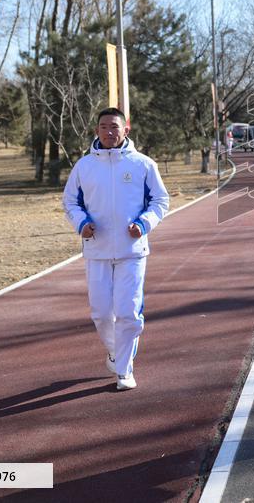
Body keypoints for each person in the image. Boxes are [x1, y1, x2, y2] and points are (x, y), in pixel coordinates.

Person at [63, 107, 170, 391]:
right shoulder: (84, 166)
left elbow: (160, 200)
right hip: (96, 249)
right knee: (101, 314)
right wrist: (81, 223)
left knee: (128, 313)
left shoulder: (143, 164)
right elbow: (70, 202)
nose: (109, 132)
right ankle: (115, 351)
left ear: (126, 129)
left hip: (131, 250)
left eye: (114, 127)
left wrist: (144, 224)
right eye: (103, 127)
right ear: (96, 131)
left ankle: (124, 369)